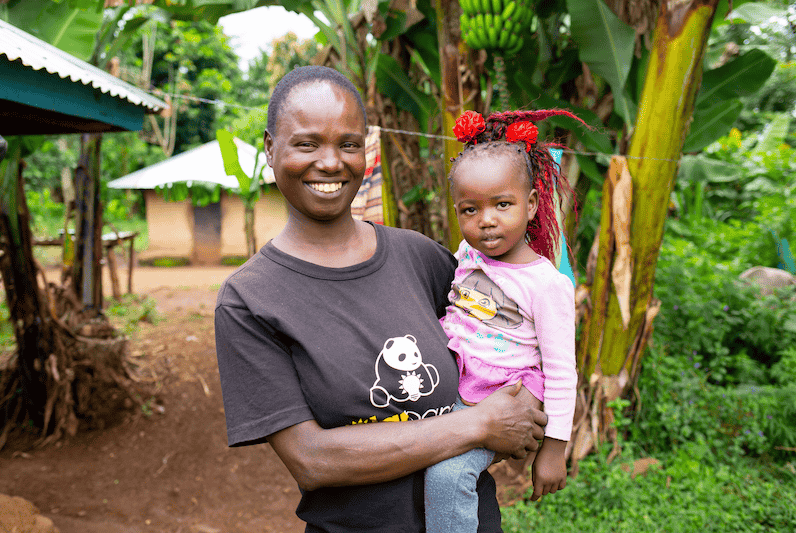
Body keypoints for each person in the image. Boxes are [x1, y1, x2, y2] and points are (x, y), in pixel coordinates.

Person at [214, 65, 547, 533]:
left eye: (348, 144)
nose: (331, 163)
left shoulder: (420, 258)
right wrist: (476, 426)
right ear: (271, 147)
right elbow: (312, 460)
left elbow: (512, 331)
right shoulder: (250, 301)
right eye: (307, 143)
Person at [424, 110, 580, 533]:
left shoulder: (544, 284)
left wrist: (554, 450)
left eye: (503, 204)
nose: (486, 220)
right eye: (470, 209)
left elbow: (563, 371)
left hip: (500, 398)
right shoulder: (468, 253)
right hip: (454, 383)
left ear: (531, 205)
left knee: (447, 476)